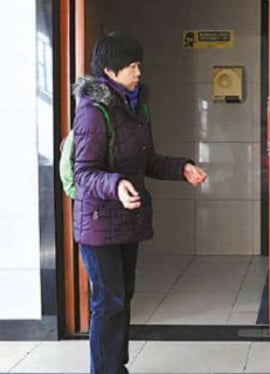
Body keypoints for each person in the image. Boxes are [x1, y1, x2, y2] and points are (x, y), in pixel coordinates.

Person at [72, 32, 208, 374]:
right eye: (131, 66)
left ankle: (116, 366)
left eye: (138, 65)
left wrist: (182, 167)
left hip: (126, 219)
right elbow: (84, 172)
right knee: (109, 302)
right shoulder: (93, 112)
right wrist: (115, 184)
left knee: (123, 296)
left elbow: (145, 161)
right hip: (99, 221)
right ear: (109, 69)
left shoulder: (135, 107)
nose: (138, 72)